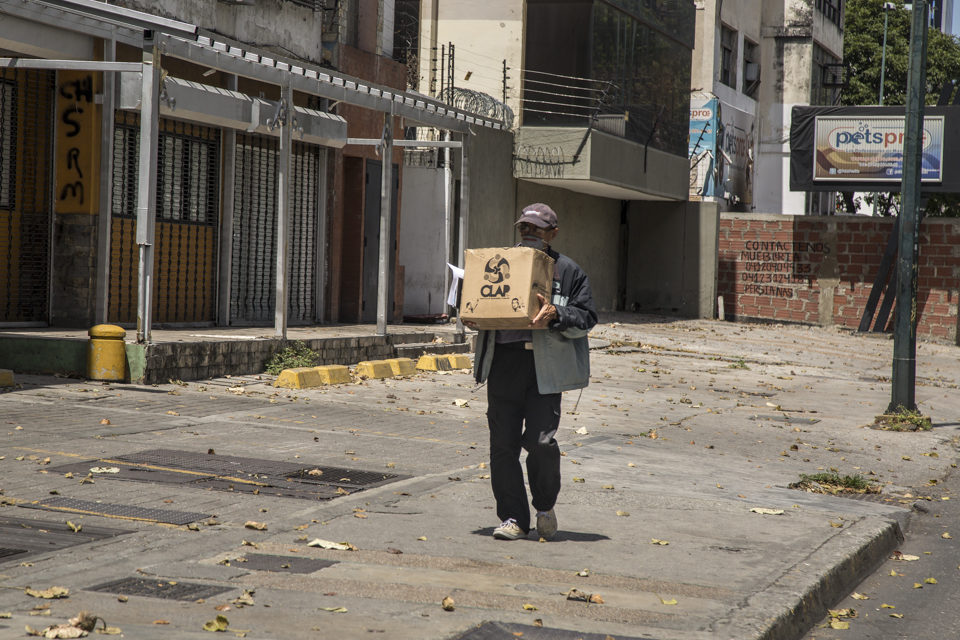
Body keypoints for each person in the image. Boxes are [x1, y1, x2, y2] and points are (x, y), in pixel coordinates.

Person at [466, 203, 597, 540]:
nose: (529, 234)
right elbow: (478, 301)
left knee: (542, 442)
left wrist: (558, 314)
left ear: (552, 234)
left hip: (544, 369)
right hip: (504, 363)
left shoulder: (568, 271)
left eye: (537, 230)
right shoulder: (501, 263)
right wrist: (470, 314)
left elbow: (587, 318)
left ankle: (543, 504)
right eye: (524, 228)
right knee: (503, 445)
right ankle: (512, 518)